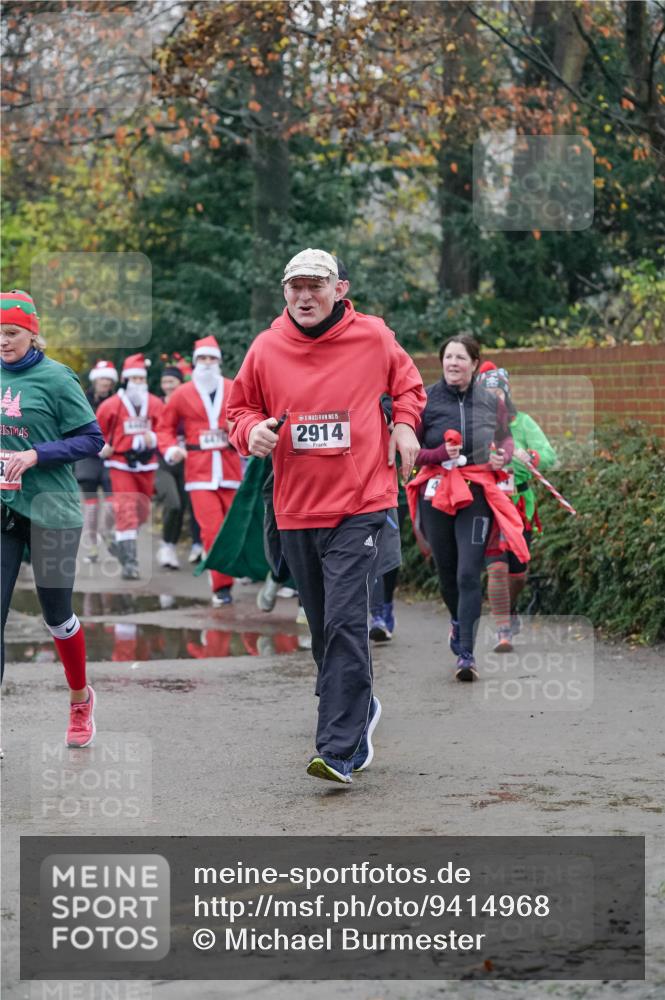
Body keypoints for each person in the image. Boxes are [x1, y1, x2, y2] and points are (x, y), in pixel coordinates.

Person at [228, 247, 426, 784]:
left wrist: (405, 427)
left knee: (344, 622)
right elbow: (237, 411)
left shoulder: (374, 337)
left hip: (361, 503)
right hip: (295, 508)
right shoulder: (267, 348)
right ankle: (359, 709)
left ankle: (339, 750)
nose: (305, 295)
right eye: (295, 286)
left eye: (316, 285)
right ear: (284, 293)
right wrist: (253, 432)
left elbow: (409, 388)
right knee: (322, 630)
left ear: (340, 289)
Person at [1, 290, 104, 747]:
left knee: (57, 615)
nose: (3, 342)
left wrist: (36, 454)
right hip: (4, 510)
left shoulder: (57, 378)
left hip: (52, 511)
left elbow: (91, 440)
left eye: (12, 333)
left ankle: (80, 699)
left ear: (32, 333)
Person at [406, 335, 529, 682]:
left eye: (461, 358)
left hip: (475, 493)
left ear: (475, 364)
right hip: (436, 492)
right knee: (447, 573)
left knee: (468, 573)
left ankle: (466, 654)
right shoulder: (426, 400)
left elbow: (505, 438)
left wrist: (501, 455)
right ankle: (458, 621)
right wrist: (437, 456)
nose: (453, 363)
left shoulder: (491, 401)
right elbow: (412, 449)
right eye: (448, 357)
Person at [157, 336, 242, 606]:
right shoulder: (183, 393)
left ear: (218, 362)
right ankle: (221, 587)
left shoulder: (233, 388)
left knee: (233, 530)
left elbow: (249, 415)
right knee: (212, 531)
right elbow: (164, 427)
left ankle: (229, 572)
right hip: (199, 473)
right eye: (202, 359)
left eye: (211, 359)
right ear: (195, 363)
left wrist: (242, 431)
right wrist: (171, 449)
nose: (207, 363)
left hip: (230, 470)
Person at [476, 366, 557, 651]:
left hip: (519, 506)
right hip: (487, 505)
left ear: (506, 393)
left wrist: (531, 456)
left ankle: (509, 611)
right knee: (496, 569)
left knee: (518, 574)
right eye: (487, 393)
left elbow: (549, 455)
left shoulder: (522, 423)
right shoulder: (475, 424)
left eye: (497, 391)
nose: (493, 398)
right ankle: (503, 630)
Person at [95, 354, 164, 580]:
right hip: (120, 462)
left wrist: (153, 438)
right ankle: (130, 564)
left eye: (140, 379)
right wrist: (102, 446)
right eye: (133, 378)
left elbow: (165, 430)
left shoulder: (154, 403)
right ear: (125, 379)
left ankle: (118, 540)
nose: (137, 383)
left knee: (142, 512)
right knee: (125, 509)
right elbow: (96, 433)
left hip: (146, 464)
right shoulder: (111, 405)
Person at [74, 359, 118, 564]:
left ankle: (106, 534)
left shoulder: (119, 401)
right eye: (102, 378)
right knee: (91, 508)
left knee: (111, 506)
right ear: (95, 380)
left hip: (112, 456)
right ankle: (92, 547)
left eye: (108, 379)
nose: (105, 382)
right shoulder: (82, 400)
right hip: (88, 459)